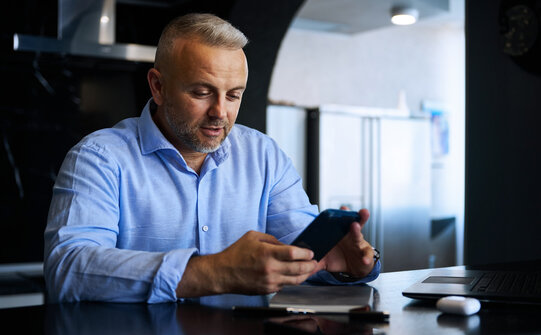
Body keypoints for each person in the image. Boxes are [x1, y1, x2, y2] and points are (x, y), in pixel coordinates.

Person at [44, 13, 380, 303]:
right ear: (158, 86)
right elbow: (69, 268)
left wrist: (333, 262)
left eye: (234, 95)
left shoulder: (265, 156)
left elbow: (297, 249)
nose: (220, 112)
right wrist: (211, 273)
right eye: (202, 93)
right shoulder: (99, 158)